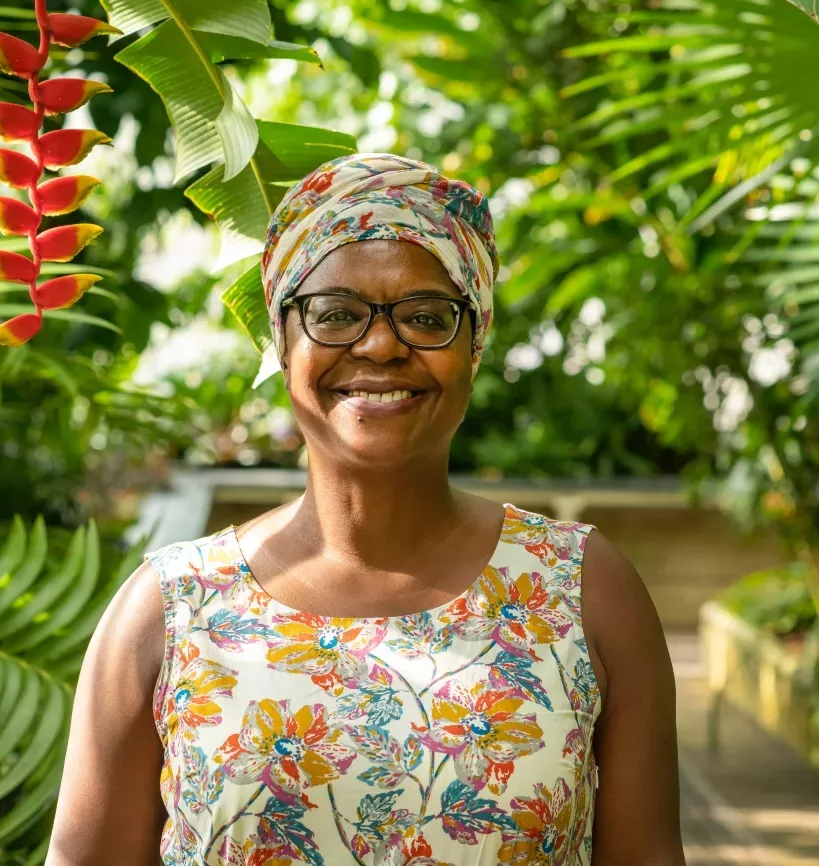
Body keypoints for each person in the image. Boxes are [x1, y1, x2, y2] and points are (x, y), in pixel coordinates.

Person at [47, 154, 685, 866]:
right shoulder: (171, 609)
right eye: (336, 314)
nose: (380, 345)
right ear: (281, 340)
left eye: (425, 316)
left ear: (475, 345)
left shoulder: (583, 591)